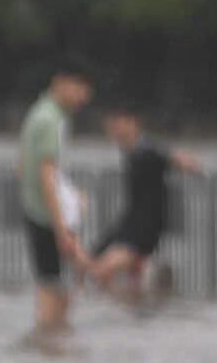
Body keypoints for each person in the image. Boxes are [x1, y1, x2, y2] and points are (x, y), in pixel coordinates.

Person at [17, 61, 97, 331]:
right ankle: (49, 355)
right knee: (53, 292)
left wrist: (70, 196)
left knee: (57, 289)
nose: (83, 98)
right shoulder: (49, 120)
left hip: (39, 212)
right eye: (80, 89)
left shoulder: (40, 115)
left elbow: (22, 167)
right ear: (61, 82)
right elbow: (46, 175)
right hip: (46, 217)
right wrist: (61, 227)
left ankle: (51, 356)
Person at [92, 108, 201, 303]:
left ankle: (131, 300)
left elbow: (173, 157)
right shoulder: (132, 151)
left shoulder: (147, 149)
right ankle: (135, 300)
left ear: (132, 123)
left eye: (117, 125)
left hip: (145, 227)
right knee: (95, 258)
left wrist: (188, 164)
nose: (113, 131)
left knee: (102, 271)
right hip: (130, 222)